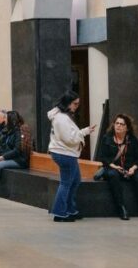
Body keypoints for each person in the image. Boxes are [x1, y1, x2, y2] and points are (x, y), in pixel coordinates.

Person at [95, 114, 138, 221]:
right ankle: (121, 208)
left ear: (127, 128)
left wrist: (133, 168)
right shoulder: (107, 138)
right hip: (112, 167)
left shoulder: (132, 140)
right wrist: (115, 166)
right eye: (117, 123)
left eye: (122, 124)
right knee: (113, 175)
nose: (118, 126)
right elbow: (103, 157)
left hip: (130, 168)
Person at [48, 93, 95, 222]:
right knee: (66, 183)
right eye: (75, 103)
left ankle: (69, 209)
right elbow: (69, 139)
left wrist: (85, 131)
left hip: (65, 153)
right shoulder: (62, 118)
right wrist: (82, 135)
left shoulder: (62, 116)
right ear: (67, 103)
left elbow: (71, 135)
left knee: (74, 181)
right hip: (65, 153)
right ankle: (60, 213)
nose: (77, 106)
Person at [0, 110, 29, 196]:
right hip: (5, 157)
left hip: (18, 159)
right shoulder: (6, 131)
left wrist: (3, 157)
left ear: (11, 120)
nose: (5, 120)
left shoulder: (19, 132)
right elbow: (0, 145)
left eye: (6, 118)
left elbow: (17, 150)